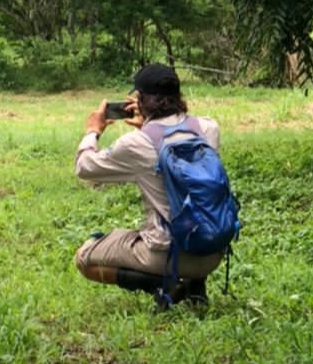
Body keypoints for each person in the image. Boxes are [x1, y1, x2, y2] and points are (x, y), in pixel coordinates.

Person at [73, 63, 224, 310]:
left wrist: (93, 130)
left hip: (168, 255)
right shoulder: (209, 128)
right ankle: (196, 286)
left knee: (84, 258)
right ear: (178, 96)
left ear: (140, 100)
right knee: (195, 203)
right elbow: (178, 135)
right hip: (212, 252)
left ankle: (164, 286)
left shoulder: (136, 143)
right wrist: (150, 126)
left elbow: (84, 167)